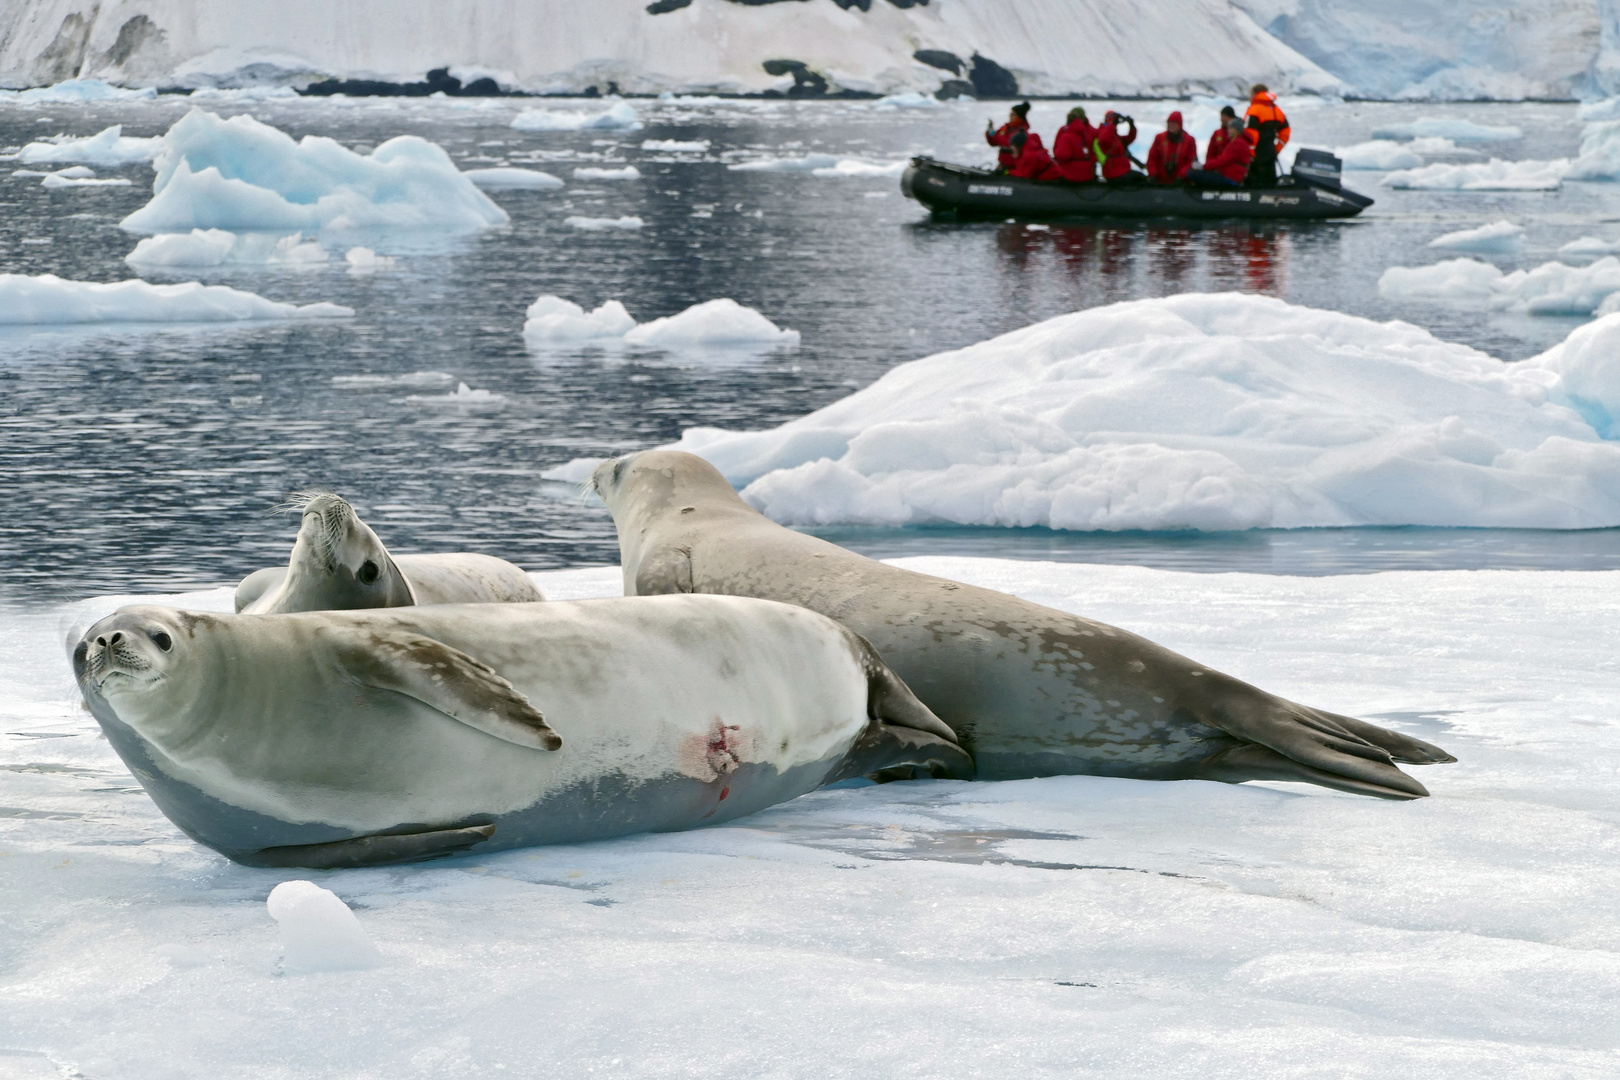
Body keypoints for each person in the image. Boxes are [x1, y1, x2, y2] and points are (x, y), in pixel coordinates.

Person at [1185, 112, 1252, 187]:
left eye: (1230, 128)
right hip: (1231, 175)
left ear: (1236, 130)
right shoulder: (1239, 142)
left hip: (1231, 177)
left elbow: (1223, 160)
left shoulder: (1238, 143)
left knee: (1193, 174)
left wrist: (1203, 167)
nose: (1228, 130)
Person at [1243, 83, 1290, 187]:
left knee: (1253, 184)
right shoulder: (1277, 111)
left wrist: (1250, 154)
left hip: (1257, 153)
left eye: (1251, 95)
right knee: (1270, 182)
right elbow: (1285, 134)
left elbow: (1251, 134)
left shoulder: (1255, 109)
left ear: (1255, 94)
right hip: (1270, 151)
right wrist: (1277, 149)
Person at [1145, 110, 1198, 183]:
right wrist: (1153, 174)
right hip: (1160, 180)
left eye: (1174, 123)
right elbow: (1152, 159)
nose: (1171, 125)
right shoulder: (1159, 138)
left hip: (1180, 182)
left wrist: (1182, 176)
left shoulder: (1189, 140)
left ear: (1180, 125)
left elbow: (1192, 162)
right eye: (1169, 123)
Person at [1053, 106, 1097, 182]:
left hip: (1069, 174)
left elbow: (1060, 152)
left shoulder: (1064, 132)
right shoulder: (1094, 131)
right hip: (1089, 172)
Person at [1092, 111, 1138, 183]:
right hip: (1114, 171)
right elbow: (1104, 139)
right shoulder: (1103, 134)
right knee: (1139, 179)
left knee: (1140, 177)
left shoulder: (1115, 137)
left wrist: (1132, 126)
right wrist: (1112, 124)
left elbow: (1129, 139)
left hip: (1121, 170)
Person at [986, 101, 1032, 173]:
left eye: (1013, 114)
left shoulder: (1021, 132)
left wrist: (994, 134)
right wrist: (989, 132)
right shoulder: (1006, 128)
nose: (1010, 116)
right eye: (1010, 114)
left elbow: (1007, 142)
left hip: (1013, 167)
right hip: (1002, 165)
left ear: (1020, 117)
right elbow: (993, 142)